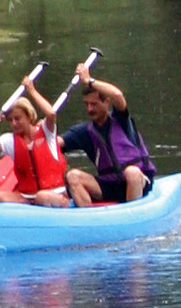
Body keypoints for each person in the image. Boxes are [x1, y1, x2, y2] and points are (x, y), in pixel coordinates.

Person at [63, 64, 156, 206]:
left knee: (131, 172)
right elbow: (55, 143)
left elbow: (117, 95)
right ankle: (89, 220)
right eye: (86, 104)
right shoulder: (84, 132)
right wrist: (41, 131)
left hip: (137, 181)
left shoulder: (121, 119)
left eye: (94, 104)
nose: (89, 109)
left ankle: (130, 216)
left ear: (106, 102)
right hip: (110, 184)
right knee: (73, 176)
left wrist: (89, 80)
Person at [0, 81, 72, 203]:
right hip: (27, 198)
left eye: (17, 119)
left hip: (54, 194)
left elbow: (51, 114)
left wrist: (31, 90)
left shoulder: (46, 131)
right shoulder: (11, 140)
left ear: (28, 116)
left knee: (42, 196)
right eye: (10, 120)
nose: (14, 124)